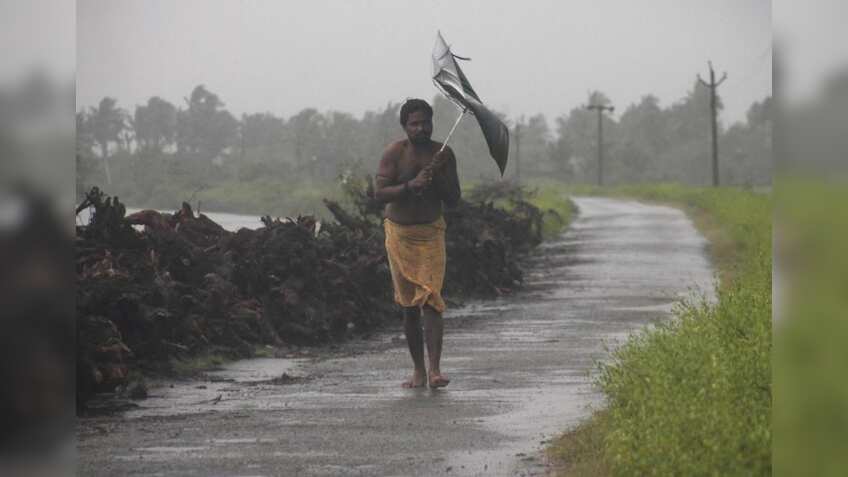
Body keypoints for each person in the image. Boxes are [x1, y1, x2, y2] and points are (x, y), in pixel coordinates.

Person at [374, 98, 461, 389]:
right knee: (409, 306)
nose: (421, 128)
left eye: (426, 122)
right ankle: (418, 371)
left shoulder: (444, 153)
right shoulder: (394, 153)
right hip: (399, 235)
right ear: (405, 126)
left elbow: (453, 199)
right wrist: (410, 185)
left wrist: (439, 177)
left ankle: (435, 370)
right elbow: (380, 193)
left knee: (432, 300)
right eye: (415, 123)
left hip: (431, 233)